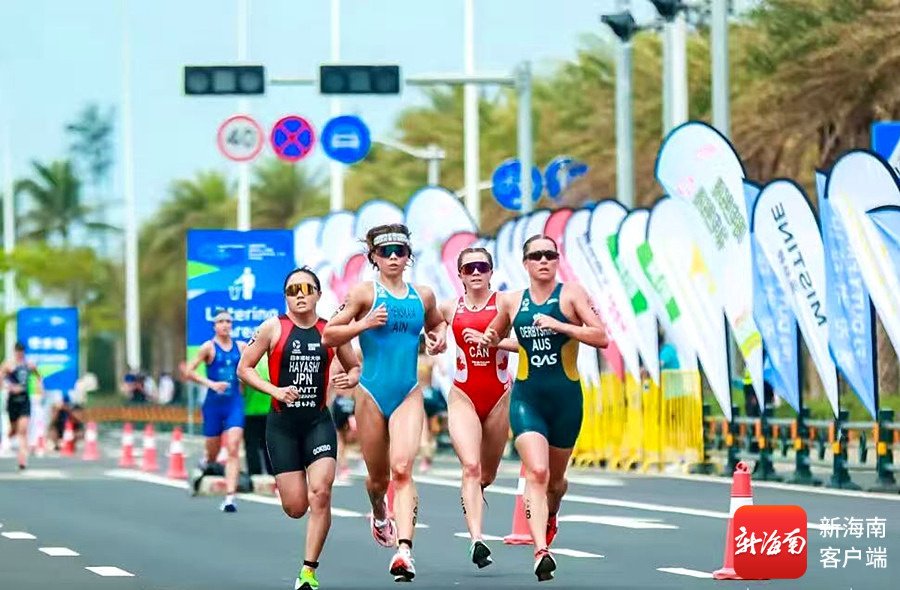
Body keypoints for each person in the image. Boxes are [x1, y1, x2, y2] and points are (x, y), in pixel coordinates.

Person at [323, 223, 447, 583]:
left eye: (400, 251)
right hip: (371, 394)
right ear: (373, 257)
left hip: (408, 392)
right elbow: (330, 334)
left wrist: (438, 339)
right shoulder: (364, 293)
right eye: (385, 252)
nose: (393, 257)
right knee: (378, 479)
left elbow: (437, 325)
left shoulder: (423, 296)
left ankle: (404, 551)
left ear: (409, 257)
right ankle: (379, 511)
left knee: (403, 469)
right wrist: (364, 324)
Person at [481, 235, 608, 582]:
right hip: (528, 399)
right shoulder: (512, 301)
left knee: (555, 481)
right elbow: (495, 335)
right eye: (536, 256)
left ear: (557, 260)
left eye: (550, 255)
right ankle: (541, 551)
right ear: (525, 263)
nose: (543, 261)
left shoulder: (572, 295)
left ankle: (552, 513)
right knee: (536, 472)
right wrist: (490, 339)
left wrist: (560, 325)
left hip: (566, 401)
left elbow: (601, 337)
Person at [238, 267, 360, 590]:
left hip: (318, 422)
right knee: (295, 507)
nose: (300, 295)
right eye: (293, 290)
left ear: (318, 294)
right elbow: (244, 368)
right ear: (286, 297)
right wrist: (275, 391)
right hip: (282, 426)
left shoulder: (330, 331)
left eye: (307, 288)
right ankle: (302, 500)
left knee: (321, 492)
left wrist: (350, 379)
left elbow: (355, 367)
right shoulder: (272, 328)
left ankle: (308, 571)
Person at [436, 246, 518, 569]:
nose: (475, 273)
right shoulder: (449, 307)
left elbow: (527, 342)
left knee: (487, 473)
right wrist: (437, 338)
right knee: (470, 466)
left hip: (499, 398)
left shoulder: (506, 303)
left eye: (481, 267)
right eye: (468, 268)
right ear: (460, 275)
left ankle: (473, 495)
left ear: (490, 271)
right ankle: (477, 540)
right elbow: (431, 326)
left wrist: (496, 341)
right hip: (463, 395)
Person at [184, 310, 246, 513]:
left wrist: (245, 383)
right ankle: (205, 463)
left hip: (234, 403)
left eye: (228, 321)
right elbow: (189, 371)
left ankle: (230, 498)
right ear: (214, 326)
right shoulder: (208, 347)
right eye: (221, 321)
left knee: (233, 447)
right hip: (213, 405)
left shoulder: (240, 347)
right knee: (213, 451)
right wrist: (210, 383)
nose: (225, 325)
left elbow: (248, 369)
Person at [0, 342, 43, 470]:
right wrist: (9, 387)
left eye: (21, 352)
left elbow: (38, 375)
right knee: (13, 430)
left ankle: (22, 460)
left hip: (24, 400)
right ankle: (4, 441)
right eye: (18, 352)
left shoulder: (29, 365)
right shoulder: (8, 365)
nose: (19, 354)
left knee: (23, 431)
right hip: (13, 401)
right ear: (14, 352)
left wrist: (40, 387)